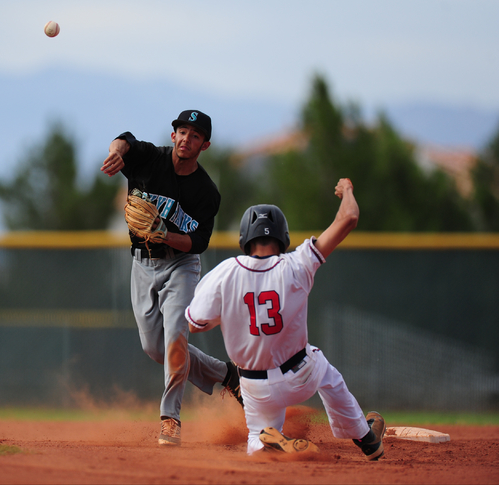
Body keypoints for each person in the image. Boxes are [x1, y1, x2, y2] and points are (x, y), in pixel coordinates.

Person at [185, 179, 386, 460]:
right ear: (283, 236)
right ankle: (367, 439)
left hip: (254, 386)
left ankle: (263, 443)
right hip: (301, 375)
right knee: (328, 375)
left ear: (245, 238)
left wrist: (231, 313)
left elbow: (195, 324)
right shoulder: (297, 264)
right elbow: (349, 218)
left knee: (255, 436)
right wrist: (348, 189)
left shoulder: (224, 273)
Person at [101, 110, 242, 446]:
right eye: (182, 131)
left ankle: (170, 419)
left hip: (181, 265)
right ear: (173, 135)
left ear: (204, 145)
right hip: (141, 264)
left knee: (176, 338)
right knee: (155, 348)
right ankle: (226, 374)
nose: (186, 139)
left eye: (194, 135)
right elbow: (126, 140)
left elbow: (198, 243)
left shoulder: (206, 191)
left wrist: (164, 235)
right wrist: (118, 152)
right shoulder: (149, 159)